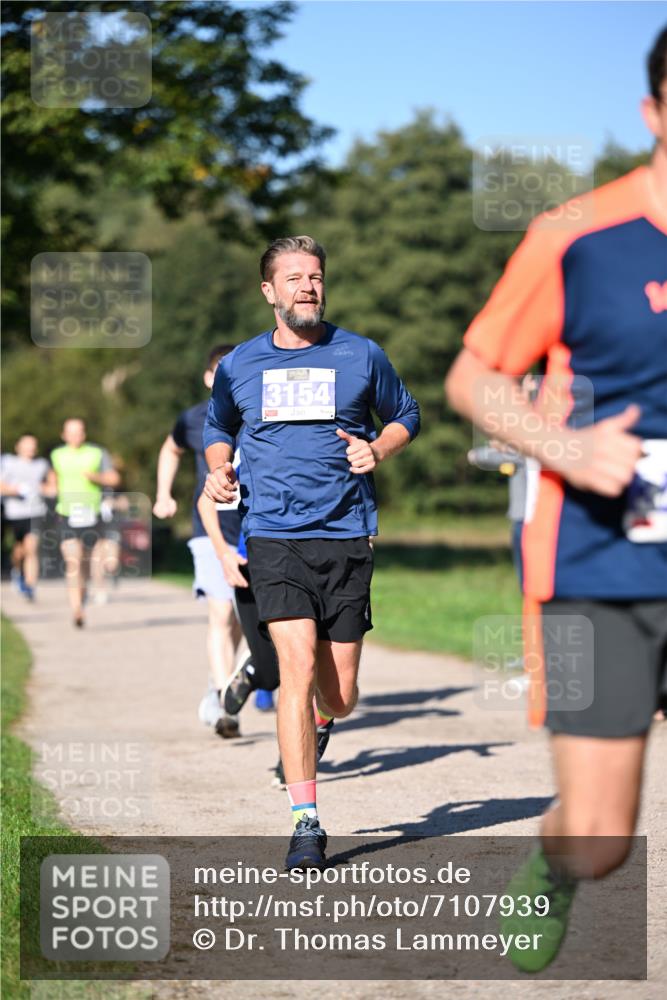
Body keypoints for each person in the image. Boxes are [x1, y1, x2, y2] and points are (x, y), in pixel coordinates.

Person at [445, 25, 667, 973]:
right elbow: (474, 376)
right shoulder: (577, 234)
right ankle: (553, 857)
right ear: (653, 111)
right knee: (600, 838)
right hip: (598, 561)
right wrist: (568, 447)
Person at [203, 235, 420, 870]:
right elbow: (219, 428)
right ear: (269, 291)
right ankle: (305, 822)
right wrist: (219, 470)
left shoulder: (360, 354)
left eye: (316, 276)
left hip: (346, 534)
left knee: (340, 691)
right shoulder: (243, 363)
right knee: (294, 671)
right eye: (294, 277)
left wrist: (378, 449)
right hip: (273, 536)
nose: (307, 286)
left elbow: (406, 413)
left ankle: (327, 720)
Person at [153, 345, 247, 739]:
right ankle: (227, 705)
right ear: (209, 378)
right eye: (220, 374)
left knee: (245, 619)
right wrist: (163, 493)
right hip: (208, 531)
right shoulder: (192, 419)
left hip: (254, 530)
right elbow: (170, 449)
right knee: (221, 613)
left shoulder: (260, 415)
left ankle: (218, 683)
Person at [47, 419, 121, 627]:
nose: (75, 436)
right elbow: (52, 481)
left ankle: (83, 591)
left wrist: (95, 477)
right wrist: (49, 489)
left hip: (92, 515)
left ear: (84, 434)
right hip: (67, 515)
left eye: (79, 432)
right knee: (73, 562)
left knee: (87, 564)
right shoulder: (56, 455)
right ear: (63, 435)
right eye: (71, 432)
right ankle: (77, 610)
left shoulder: (97, 453)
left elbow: (114, 478)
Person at [0, 434, 52, 601]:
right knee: (19, 550)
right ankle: (18, 571)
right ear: (18, 447)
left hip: (35, 512)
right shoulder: (8, 462)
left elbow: (52, 486)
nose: (30, 448)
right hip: (14, 512)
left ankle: (30, 585)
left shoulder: (42, 464)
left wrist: (44, 489)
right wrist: (17, 490)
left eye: (33, 445)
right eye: (26, 445)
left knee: (31, 548)